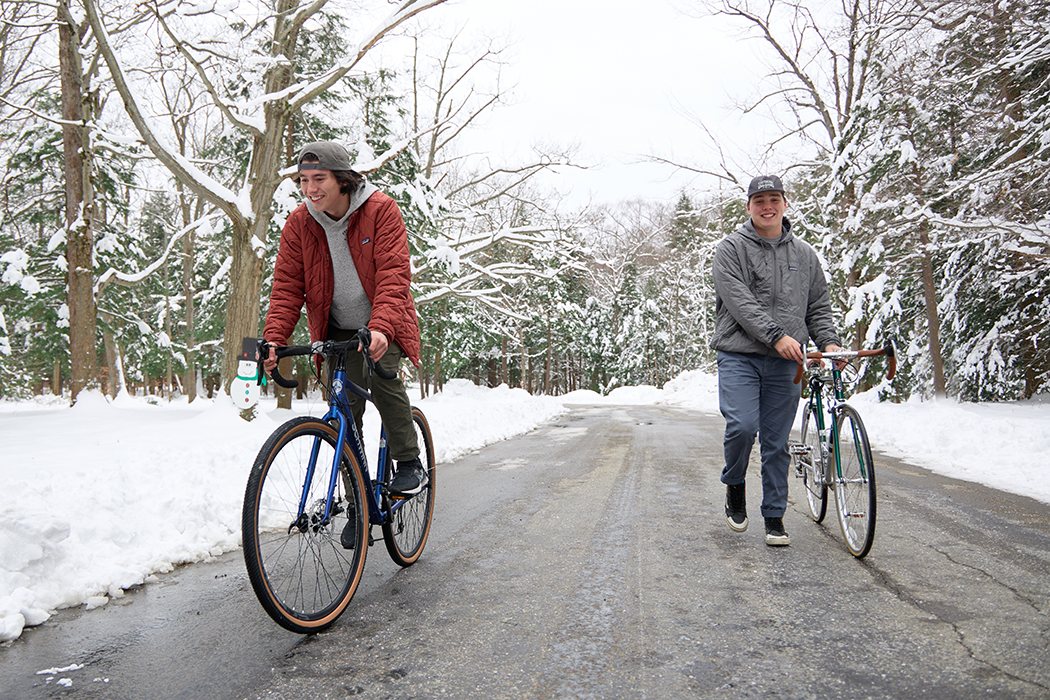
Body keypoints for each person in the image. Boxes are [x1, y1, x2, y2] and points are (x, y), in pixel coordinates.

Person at [262, 141, 426, 547]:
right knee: (345, 415)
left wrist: (383, 328)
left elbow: (393, 277)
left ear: (343, 179)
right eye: (303, 180)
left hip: (380, 321)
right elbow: (287, 288)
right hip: (336, 329)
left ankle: (409, 461)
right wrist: (273, 340)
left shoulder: (380, 210)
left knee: (384, 380)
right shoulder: (299, 223)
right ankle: (359, 506)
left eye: (319, 179)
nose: (310, 188)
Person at [711, 174, 843, 546]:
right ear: (749, 206)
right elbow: (739, 302)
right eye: (759, 200)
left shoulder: (804, 255)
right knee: (741, 426)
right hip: (740, 355)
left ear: (785, 203)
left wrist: (829, 342)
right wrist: (775, 336)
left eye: (774, 199)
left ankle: (774, 516)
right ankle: (734, 483)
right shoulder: (731, 249)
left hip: (787, 362)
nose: (767, 206)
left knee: (776, 441)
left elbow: (818, 305)